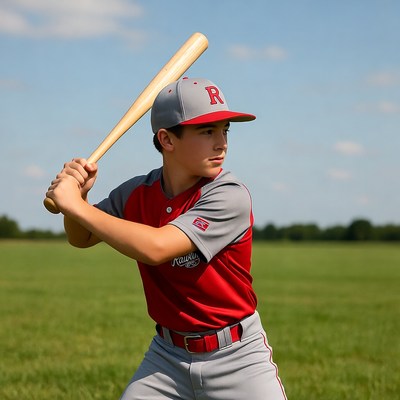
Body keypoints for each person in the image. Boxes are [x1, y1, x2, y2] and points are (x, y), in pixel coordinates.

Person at [46, 77, 287, 400]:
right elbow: (82, 237)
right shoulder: (137, 192)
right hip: (167, 357)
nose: (222, 143)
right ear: (167, 140)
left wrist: (75, 205)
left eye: (224, 130)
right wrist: (79, 202)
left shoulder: (228, 195)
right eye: (207, 132)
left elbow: (156, 247)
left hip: (237, 358)